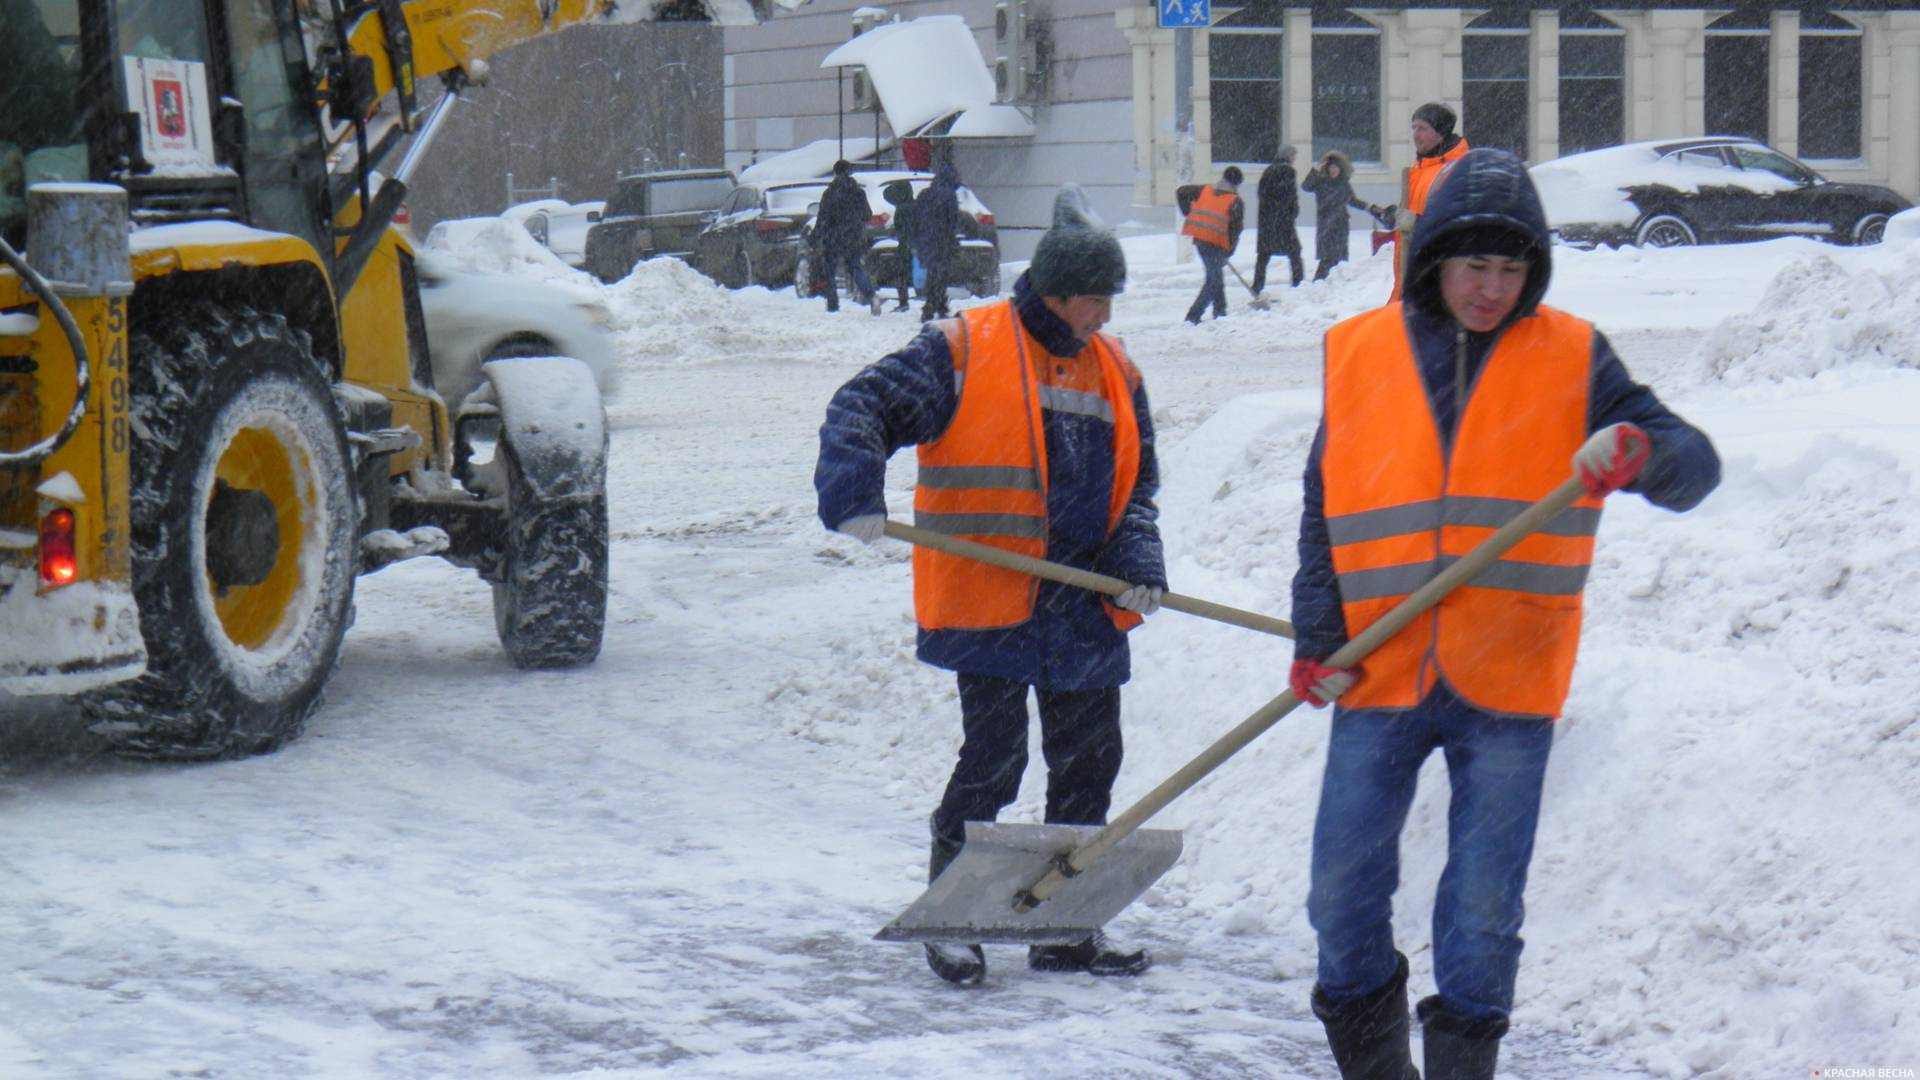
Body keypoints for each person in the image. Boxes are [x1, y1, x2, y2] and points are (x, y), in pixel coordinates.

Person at [1288, 148, 1720, 1080]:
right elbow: (1325, 508)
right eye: (1475, 265)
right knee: (1340, 894)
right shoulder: (1358, 353)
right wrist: (1318, 637)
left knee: (1483, 910)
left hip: (1510, 680)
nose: (1492, 288)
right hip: (1380, 665)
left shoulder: (1572, 354)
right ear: (1435, 257)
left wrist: (1640, 451)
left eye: (1512, 268)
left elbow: (1696, 465)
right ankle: (1372, 1069)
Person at [816, 184, 1166, 987]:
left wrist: (1138, 564)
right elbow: (860, 405)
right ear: (1054, 292)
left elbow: (1136, 484)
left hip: (1080, 599)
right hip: (991, 595)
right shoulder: (963, 347)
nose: (1104, 316)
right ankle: (952, 913)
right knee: (994, 763)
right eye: (1093, 299)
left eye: (1109, 300)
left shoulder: (1116, 367)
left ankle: (1064, 925)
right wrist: (854, 494)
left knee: (1089, 762)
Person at [1376, 102, 1472, 300]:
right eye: (1414, 128)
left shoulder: (1457, 170)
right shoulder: (1421, 169)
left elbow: (1458, 228)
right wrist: (1395, 217)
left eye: (1422, 128)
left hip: (1436, 288)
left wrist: (1414, 222)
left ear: (1441, 132)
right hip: (1411, 284)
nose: (1415, 135)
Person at [1177, 165, 1245, 324]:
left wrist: (1189, 212)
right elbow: (1235, 230)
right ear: (1236, 184)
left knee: (1215, 277)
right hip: (1215, 243)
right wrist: (1229, 251)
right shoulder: (1235, 201)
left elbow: (1181, 192)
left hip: (1201, 239)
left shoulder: (1205, 190)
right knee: (1214, 280)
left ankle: (1220, 312)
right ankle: (1193, 316)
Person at [813, 160, 878, 313]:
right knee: (855, 268)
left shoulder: (830, 193)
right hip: (854, 236)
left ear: (835, 173)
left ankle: (832, 304)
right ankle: (871, 295)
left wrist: (816, 236)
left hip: (833, 236)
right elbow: (867, 214)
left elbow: (823, 217)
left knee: (830, 269)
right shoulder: (858, 192)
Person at [1300, 150, 1369, 282]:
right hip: (1326, 226)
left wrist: (1369, 207)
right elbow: (1305, 186)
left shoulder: (1344, 184)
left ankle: (1332, 288)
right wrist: (1315, 170)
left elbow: (1353, 201)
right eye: (1331, 167)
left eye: (1336, 167)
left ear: (1340, 168)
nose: (1333, 170)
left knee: (1338, 261)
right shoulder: (1321, 182)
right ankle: (1318, 284)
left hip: (1341, 225)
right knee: (1327, 259)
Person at [911, 162, 963, 321]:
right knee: (940, 273)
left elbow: (915, 218)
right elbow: (953, 220)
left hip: (925, 239)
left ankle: (937, 305)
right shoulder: (949, 195)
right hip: (942, 239)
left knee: (934, 272)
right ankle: (932, 306)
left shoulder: (925, 194)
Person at [1252, 147, 1303, 294]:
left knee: (1264, 254)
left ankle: (1257, 285)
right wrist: (1293, 212)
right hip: (1283, 221)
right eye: (1294, 156)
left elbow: (1261, 194)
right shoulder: (1288, 172)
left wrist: (1268, 213)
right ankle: (1299, 284)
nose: (1294, 159)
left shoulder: (1268, 171)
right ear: (1289, 157)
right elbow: (1290, 195)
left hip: (1267, 221)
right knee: (1295, 252)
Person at [881, 177, 917, 312]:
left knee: (901, 273)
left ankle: (904, 301)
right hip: (920, 245)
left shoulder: (902, 208)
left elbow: (900, 228)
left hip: (905, 245)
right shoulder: (915, 204)